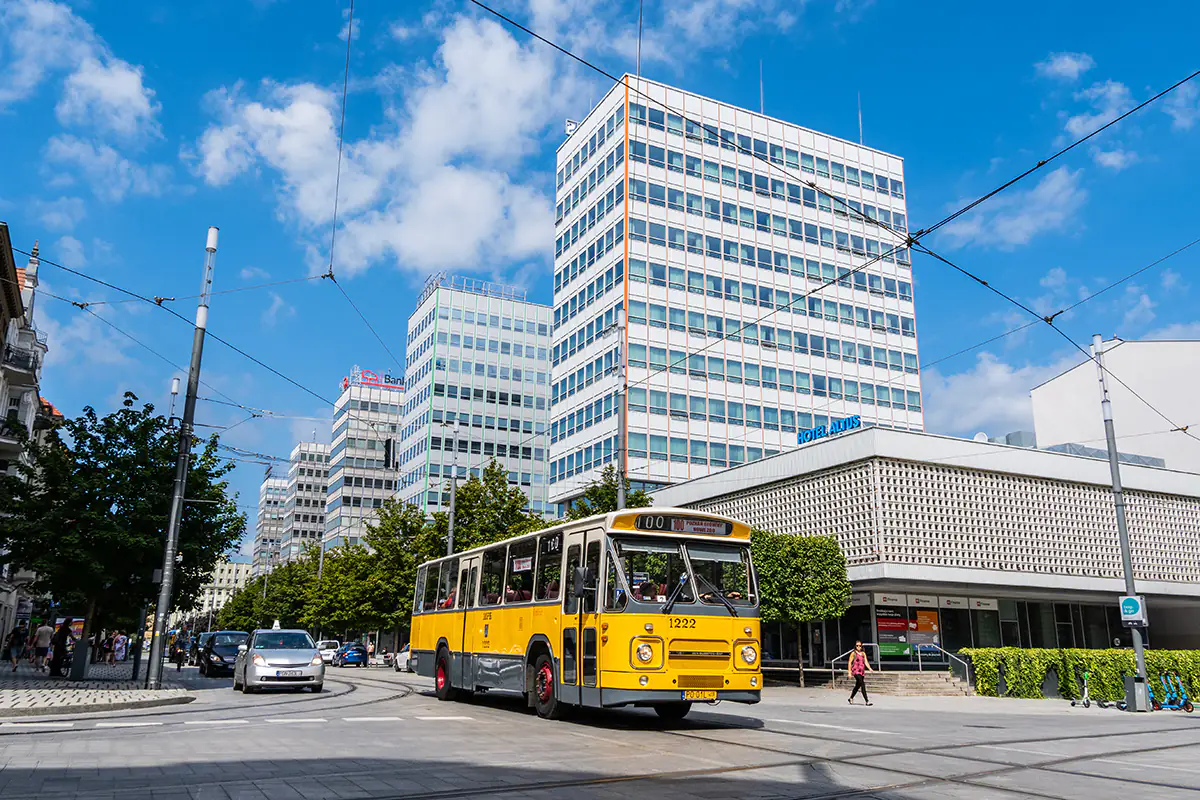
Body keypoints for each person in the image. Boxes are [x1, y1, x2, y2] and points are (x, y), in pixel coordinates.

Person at [847, 640, 873, 706]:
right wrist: (849, 672)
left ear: (862, 646)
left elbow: (866, 662)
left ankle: (851, 698)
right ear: (855, 646)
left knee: (858, 685)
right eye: (857, 646)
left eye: (860, 646)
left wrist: (869, 668)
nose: (858, 647)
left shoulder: (863, 653)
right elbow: (850, 662)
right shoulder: (853, 653)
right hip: (856, 671)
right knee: (862, 684)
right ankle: (867, 701)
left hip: (862, 671)